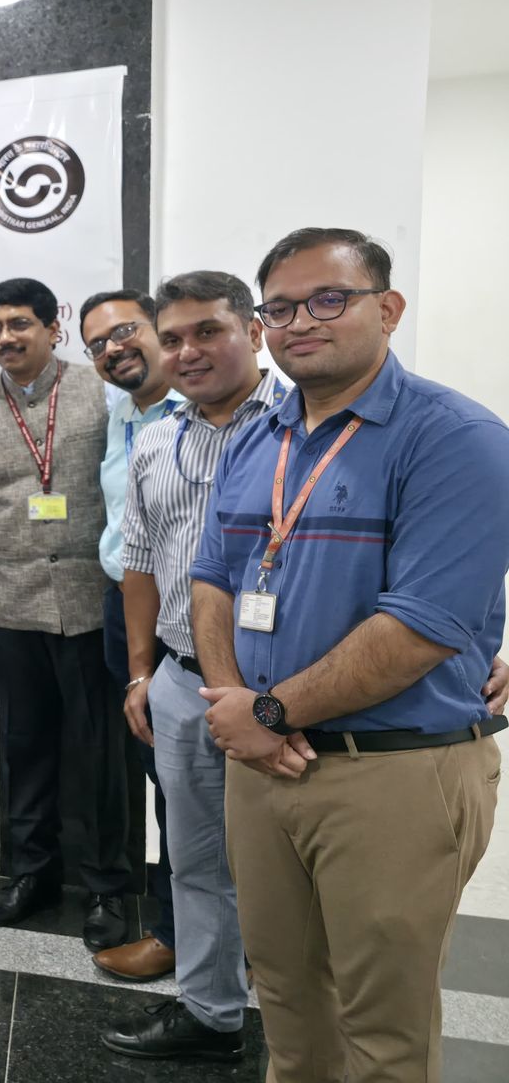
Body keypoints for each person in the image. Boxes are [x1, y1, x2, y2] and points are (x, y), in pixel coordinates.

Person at [192, 228, 509, 1083]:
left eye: (328, 299)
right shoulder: (259, 437)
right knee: (287, 1007)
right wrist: (233, 707)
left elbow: (420, 628)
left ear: (388, 308)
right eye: (281, 308)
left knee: (384, 1035)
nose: (301, 322)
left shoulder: (456, 437)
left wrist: (267, 712)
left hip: (393, 770)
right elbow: (212, 577)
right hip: (264, 766)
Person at [93, 272, 283, 1060]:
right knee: (196, 859)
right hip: (179, 680)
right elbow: (139, 562)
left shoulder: (305, 425)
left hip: (284, 693)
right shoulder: (156, 440)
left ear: (255, 331)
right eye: (172, 338)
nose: (187, 352)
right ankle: (211, 1015)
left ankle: (309, 1026)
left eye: (208, 331)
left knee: (291, 866)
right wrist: (142, 673)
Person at [0, 278, 130, 949]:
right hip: (13, 606)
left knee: (101, 753)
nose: (5, 338)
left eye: (19, 324)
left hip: (92, 604)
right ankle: (31, 874)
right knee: (25, 748)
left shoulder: (105, 394)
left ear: (53, 329)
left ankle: (108, 887)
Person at [80, 289, 179, 983]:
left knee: (192, 784)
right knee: (163, 775)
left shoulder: (206, 411)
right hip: (128, 608)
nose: (112, 350)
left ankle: (186, 934)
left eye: (124, 332)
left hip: (192, 615)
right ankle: (186, 929)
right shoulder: (121, 415)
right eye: (97, 345)